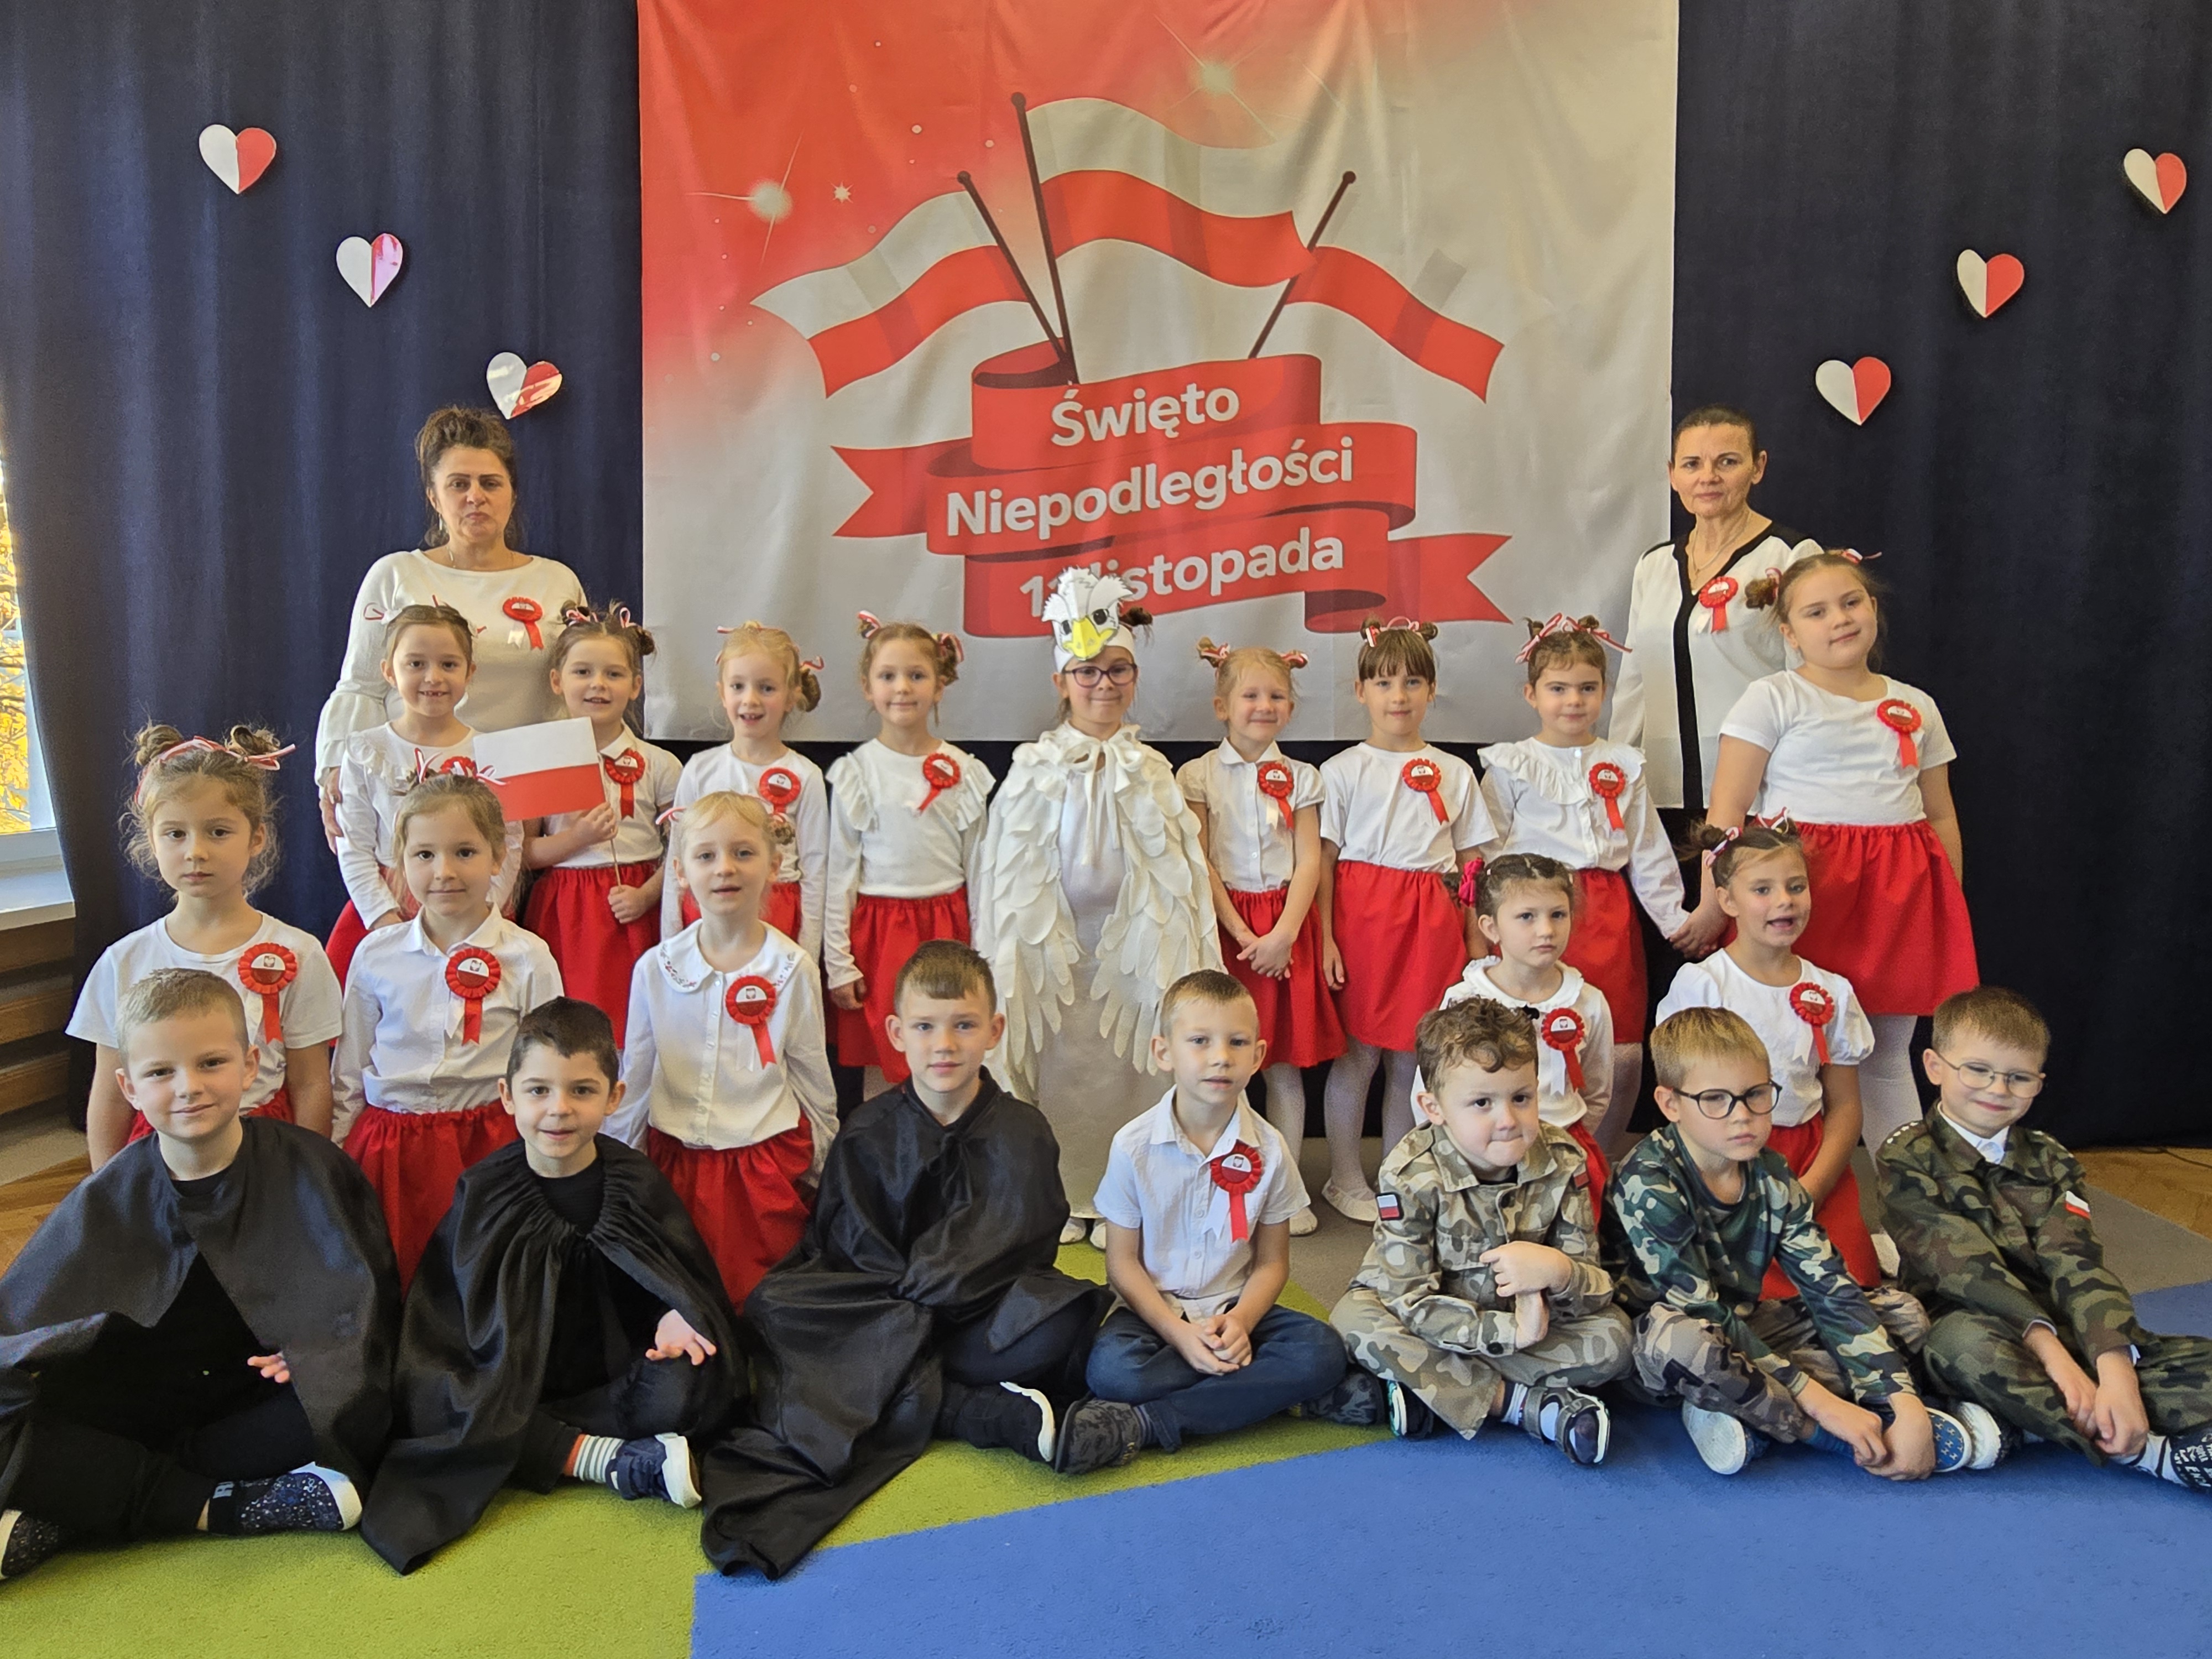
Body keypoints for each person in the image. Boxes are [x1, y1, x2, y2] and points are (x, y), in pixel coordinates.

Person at [698, 942, 1139, 1580]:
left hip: (979, 1313)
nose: (945, 1045)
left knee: (1062, 1320)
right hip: (880, 1304)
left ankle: (908, 1382)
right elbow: (850, 1247)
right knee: (774, 1305)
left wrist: (928, 1303)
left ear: (994, 1030)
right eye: (926, 1027)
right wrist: (906, 1307)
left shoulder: (1023, 1129)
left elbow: (1021, 1238)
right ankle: (965, 1408)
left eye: (964, 1025)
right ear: (896, 1033)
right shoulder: (867, 1129)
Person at [0, 970, 398, 1582]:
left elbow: (362, 1303)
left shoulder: (312, 1166)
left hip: (254, 1397)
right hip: (145, 1397)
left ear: (250, 1064)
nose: (189, 1087)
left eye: (211, 1063)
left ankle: (86, 1509)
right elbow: (27, 1322)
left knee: (354, 1408)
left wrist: (318, 1353)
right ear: (130, 1088)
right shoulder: (110, 1194)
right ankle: (222, 1505)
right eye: (161, 1072)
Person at [361, 999, 746, 1573]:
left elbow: (675, 1278)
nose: (558, 1109)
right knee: (445, 1401)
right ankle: (604, 1460)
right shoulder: (485, 1191)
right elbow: (448, 1317)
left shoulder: (634, 1179)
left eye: (582, 1091)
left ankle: (564, 1448)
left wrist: (672, 1314)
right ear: (507, 1095)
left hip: (616, 1378)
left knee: (696, 1375)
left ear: (614, 1097)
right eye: (538, 1090)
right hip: (513, 1377)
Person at [1609, 1006, 2002, 1478]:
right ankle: (1829, 1435)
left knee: (1904, 1314)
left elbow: (1830, 1289)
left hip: (1746, 1328)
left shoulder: (1772, 1174)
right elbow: (1700, 1311)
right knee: (1684, 1342)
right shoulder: (1649, 1179)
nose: (1743, 1116)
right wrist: (1822, 1407)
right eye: (1715, 1100)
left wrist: (1902, 1401)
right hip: (1659, 1352)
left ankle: (1746, 1409)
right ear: (1671, 1104)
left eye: (1757, 1095)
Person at [1691, 551, 1977, 1152]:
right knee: (1778, 1037)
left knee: (1885, 1053)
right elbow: (1727, 812)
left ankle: (1906, 1196)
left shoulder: (1917, 705)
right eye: (1816, 612)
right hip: (1802, 893)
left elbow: (1941, 813)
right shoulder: (1772, 698)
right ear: (1789, 632)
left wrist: (1945, 898)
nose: (1839, 619)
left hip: (1896, 898)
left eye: (1850, 603)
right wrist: (1713, 904)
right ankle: (1765, 1182)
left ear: (1872, 608)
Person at [970, 568, 1220, 1248]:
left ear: (1134, 678)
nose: (1103, 684)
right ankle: (1056, 1193)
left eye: (1117, 670)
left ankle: (1124, 1198)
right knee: (1052, 1071)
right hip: (1054, 960)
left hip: (1134, 957)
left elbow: (1185, 881)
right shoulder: (1031, 768)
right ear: (1061, 681)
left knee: (1133, 1066)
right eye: (1087, 671)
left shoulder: (1153, 771)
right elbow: (998, 880)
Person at [1882, 987, 2212, 1491]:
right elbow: (1966, 1271)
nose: (1997, 1089)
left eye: (2018, 1078)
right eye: (1978, 1070)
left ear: (2038, 1083)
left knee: (2177, 1363)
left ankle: (2019, 1424)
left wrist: (2115, 1370)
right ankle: (2148, 1452)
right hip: (1971, 1322)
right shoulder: (1906, 1156)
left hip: (2066, 1327)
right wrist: (2056, 1361)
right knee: (1966, 1350)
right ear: (1934, 1067)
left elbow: (2078, 1263)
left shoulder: (2052, 1159)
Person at [1332, 998, 1630, 1462]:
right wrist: (1509, 1331)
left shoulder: (1564, 1161)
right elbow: (1409, 1299)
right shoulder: (1409, 1174)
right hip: (1435, 1318)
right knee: (1354, 1321)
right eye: (1482, 1103)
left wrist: (1559, 1272)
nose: (1507, 1120)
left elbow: (1595, 1288)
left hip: (1523, 1324)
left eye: (1521, 1098)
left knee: (1616, 1340)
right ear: (1434, 1108)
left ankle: (1435, 1389)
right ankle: (1523, 1406)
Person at [1084, 971, 1352, 1452]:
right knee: (1114, 1373)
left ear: (1258, 1055)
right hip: (1155, 1314)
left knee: (1323, 1351)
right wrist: (1180, 1335)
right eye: (1199, 1041)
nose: (1221, 1057)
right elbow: (1121, 1264)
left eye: (1237, 1042)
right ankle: (1266, 1394)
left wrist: (1243, 1322)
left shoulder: (1271, 1148)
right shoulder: (1132, 1146)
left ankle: (1155, 1422)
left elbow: (1272, 1263)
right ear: (1164, 1052)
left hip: (1236, 1306)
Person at [70, 723, 341, 1166]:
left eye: (218, 832)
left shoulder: (300, 953)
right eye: (176, 834)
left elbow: (310, 1083)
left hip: (266, 1152)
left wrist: (308, 1177)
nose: (196, 852)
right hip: (160, 1154)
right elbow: (110, 1095)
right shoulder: (123, 961)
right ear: (152, 840)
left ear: (256, 837)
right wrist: (108, 1191)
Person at [315, 405, 586, 845]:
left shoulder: (557, 581)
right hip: (415, 796)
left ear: (512, 494)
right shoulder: (396, 575)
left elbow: (571, 698)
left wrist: (557, 811)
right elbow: (361, 688)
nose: (475, 496)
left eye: (490, 483)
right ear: (434, 497)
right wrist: (335, 770)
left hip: (528, 800)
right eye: (459, 484)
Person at [333, 773, 564, 1286]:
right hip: (390, 1150)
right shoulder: (375, 955)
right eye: (424, 855)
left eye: (464, 852)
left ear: (498, 856)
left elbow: (547, 1070)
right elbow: (349, 1070)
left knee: (482, 1282)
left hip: (489, 1148)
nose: (444, 872)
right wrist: (339, 1153)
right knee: (392, 1279)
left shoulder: (528, 956)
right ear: (401, 861)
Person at [1480, 614, 1703, 1131]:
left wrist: (1675, 920)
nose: (1574, 701)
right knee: (1530, 1035)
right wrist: (1489, 925)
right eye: (1558, 689)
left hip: (1606, 913)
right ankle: (1528, 1143)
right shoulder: (1512, 765)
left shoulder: (1624, 764)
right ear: (1531, 694)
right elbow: (1487, 850)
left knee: (1619, 1045)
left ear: (1605, 692)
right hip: (1531, 910)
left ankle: (1600, 1152)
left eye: (1587, 688)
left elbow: (1647, 848)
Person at [614, 791, 837, 1308]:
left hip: (764, 1169)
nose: (725, 869)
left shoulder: (794, 968)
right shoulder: (655, 969)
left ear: (774, 866)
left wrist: (824, 1169)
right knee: (686, 1300)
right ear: (680, 872)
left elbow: (811, 1078)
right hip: (676, 1168)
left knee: (761, 1302)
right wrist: (621, 1167)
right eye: (706, 855)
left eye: (743, 852)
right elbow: (637, 1076)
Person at [1660, 820, 1891, 1298]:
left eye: (1796, 887)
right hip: (1724, 1159)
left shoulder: (1832, 990)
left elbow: (1846, 1107)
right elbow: (1682, 1103)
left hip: (1809, 1158)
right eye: (1762, 890)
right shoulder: (1704, 986)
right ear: (1727, 900)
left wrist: (1813, 1188)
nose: (1784, 901)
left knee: (1846, 1289)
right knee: (1739, 1293)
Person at [1317, 618, 1494, 1222]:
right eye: (1385, 683)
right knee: (1359, 1053)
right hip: (1364, 920)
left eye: (1413, 682)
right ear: (1360, 691)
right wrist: (1327, 938)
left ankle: (1397, 1175)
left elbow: (1471, 863)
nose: (1399, 696)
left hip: (1431, 922)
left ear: (1432, 690)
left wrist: (1473, 937)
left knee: (1411, 1058)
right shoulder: (1342, 771)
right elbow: (1323, 862)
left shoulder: (1456, 772)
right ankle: (1344, 1177)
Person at [1177, 637, 1342, 1237]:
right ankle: (1220, 1178)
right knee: (1222, 1065)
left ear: (1290, 708)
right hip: (1229, 931)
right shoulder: (1197, 775)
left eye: (1276, 696)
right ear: (1222, 706)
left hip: (1286, 928)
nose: (1264, 706)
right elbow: (1200, 862)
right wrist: (1244, 933)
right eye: (1250, 695)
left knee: (1284, 1068)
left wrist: (1282, 936)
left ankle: (1284, 1189)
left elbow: (1309, 861)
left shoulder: (1303, 777)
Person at [1610, 405, 1820, 816]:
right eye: (1692, 464)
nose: (1708, 477)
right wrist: (1618, 774)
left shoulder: (1791, 556)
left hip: (1759, 792)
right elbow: (1634, 685)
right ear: (1673, 475)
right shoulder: (1654, 565)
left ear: (1758, 467)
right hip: (1662, 793)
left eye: (1727, 462)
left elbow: (1810, 684)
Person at [822, 615, 992, 1097]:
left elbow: (981, 872)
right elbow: (840, 875)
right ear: (867, 686)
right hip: (879, 937)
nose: (902, 688)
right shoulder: (858, 772)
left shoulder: (963, 771)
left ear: (939, 686)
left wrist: (986, 952)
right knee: (888, 1055)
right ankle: (890, 1141)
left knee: (950, 1050)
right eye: (888, 676)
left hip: (948, 928)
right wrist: (840, 962)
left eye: (917, 676)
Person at [327, 603, 524, 981]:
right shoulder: (367, 751)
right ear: (389, 671)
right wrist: (384, 919)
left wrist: (485, 909)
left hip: (471, 903)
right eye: (416, 664)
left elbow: (510, 840)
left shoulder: (491, 752)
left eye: (449, 664)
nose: (433, 678)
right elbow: (355, 844)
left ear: (470, 672)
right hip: (389, 907)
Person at [520, 603, 679, 1045]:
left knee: (635, 1026)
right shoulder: (541, 760)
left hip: (634, 905)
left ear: (636, 685)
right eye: (583, 672)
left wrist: (647, 895)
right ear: (557, 681)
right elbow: (524, 854)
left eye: (614, 674)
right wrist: (578, 838)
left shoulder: (660, 764)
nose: (598, 684)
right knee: (566, 1030)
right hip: (565, 911)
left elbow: (684, 848)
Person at [1431, 854, 1615, 1208]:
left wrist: (1558, 1138)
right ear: (1491, 928)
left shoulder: (1588, 1001)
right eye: (1527, 917)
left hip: (1561, 1153)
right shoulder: (1463, 999)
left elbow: (1597, 1090)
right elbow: (1431, 1090)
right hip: (1482, 1157)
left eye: (1558, 915)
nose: (1546, 930)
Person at [659, 622, 827, 958]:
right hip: (707, 911)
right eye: (738, 686)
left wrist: (807, 956)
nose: (750, 700)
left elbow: (816, 872)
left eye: (767, 688)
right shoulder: (699, 770)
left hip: (778, 914)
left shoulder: (806, 776)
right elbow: (677, 860)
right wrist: (671, 946)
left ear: (791, 696)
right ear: (723, 693)